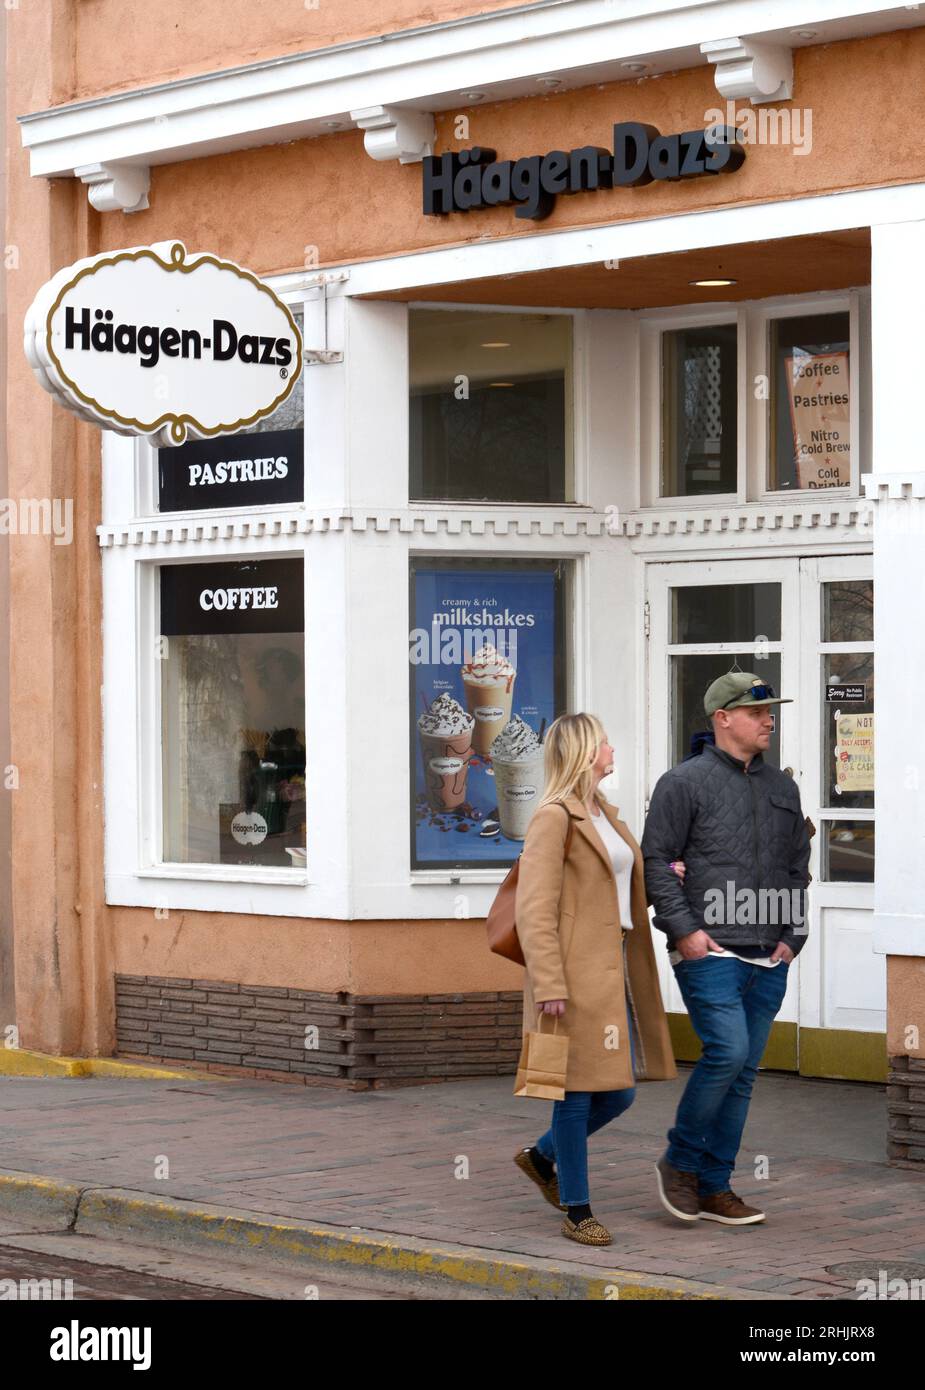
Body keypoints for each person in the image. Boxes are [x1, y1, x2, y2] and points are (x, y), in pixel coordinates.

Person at [641, 671, 812, 1226]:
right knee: (728, 1053)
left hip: (770, 955)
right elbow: (657, 863)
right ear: (723, 718)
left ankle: (715, 1187)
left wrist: (794, 938)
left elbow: (796, 869)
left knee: (743, 1073)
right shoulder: (682, 783)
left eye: (770, 711)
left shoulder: (782, 788)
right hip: (709, 949)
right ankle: (681, 1162)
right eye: (757, 711)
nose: (769, 720)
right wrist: (685, 931)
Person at [512, 712, 677, 1246]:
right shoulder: (554, 816)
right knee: (576, 1094)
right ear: (585, 752)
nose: (612, 749)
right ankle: (577, 1209)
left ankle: (541, 1156)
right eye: (605, 742)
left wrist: (662, 877)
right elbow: (533, 910)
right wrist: (551, 983)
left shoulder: (604, 812)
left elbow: (614, 891)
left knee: (619, 1093)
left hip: (617, 968)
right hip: (573, 974)